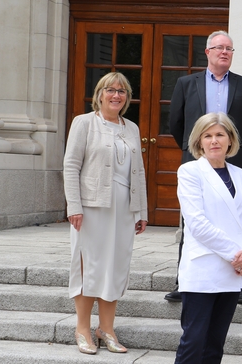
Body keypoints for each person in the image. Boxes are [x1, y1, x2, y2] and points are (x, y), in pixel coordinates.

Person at [167, 30, 242, 304]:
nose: (224, 52)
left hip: (235, 162)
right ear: (207, 52)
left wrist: (236, 151)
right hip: (199, 161)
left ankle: (240, 282)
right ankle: (183, 281)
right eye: (219, 47)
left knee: (237, 220)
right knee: (194, 222)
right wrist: (198, 151)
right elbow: (176, 124)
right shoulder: (187, 83)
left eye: (229, 49)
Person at [63, 72, 149, 355]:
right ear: (99, 94)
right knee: (89, 267)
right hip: (91, 207)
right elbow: (71, 165)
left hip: (124, 208)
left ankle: (107, 329)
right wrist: (74, 206)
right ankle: (83, 329)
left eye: (122, 91)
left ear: (127, 97)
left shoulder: (132, 128)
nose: (116, 95)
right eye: (110, 90)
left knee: (115, 267)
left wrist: (142, 211)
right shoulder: (84, 123)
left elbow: (138, 171)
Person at [174, 112, 242, 364]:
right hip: (203, 268)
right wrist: (237, 255)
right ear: (199, 141)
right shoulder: (189, 171)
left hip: (232, 272)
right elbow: (197, 224)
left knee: (215, 344)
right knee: (194, 341)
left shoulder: (239, 174)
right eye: (207, 135)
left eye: (220, 135)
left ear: (230, 140)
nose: (214, 141)